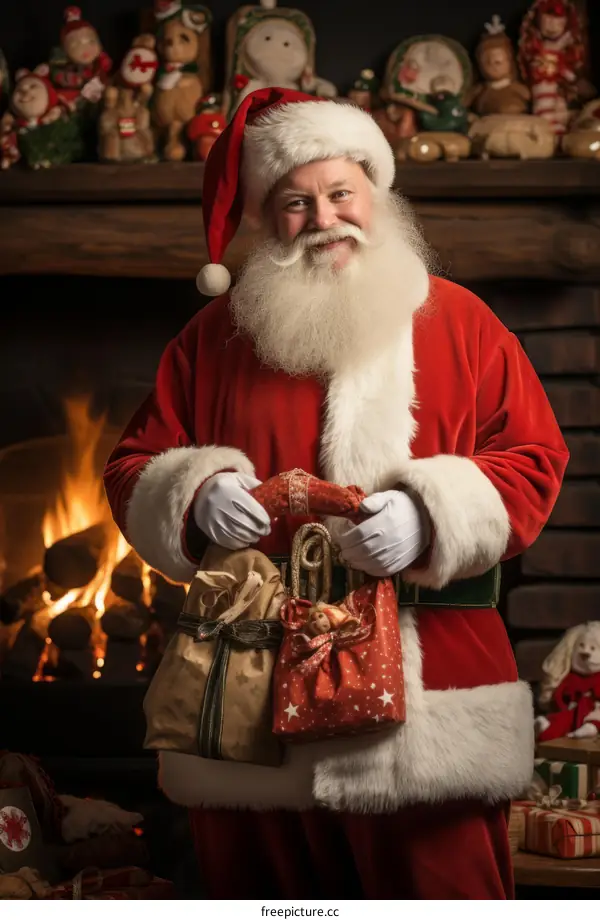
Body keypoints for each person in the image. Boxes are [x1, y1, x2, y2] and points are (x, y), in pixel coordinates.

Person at [103, 87, 569, 899]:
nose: (324, 216)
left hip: (432, 706)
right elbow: (133, 461)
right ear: (263, 218)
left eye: (341, 192)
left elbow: (533, 458)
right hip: (247, 701)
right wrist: (193, 490)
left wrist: (432, 513)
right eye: (294, 201)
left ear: (375, 194)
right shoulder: (212, 339)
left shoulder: (464, 322)